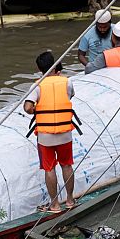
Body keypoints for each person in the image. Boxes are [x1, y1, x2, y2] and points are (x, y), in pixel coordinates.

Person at [23, 51, 79, 213]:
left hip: (45, 136)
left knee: (50, 169)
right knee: (67, 165)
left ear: (39, 68)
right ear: (55, 65)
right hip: (64, 133)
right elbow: (70, 96)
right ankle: (70, 200)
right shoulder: (67, 82)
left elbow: (27, 107)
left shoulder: (37, 85)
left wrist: (37, 110)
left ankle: (54, 204)